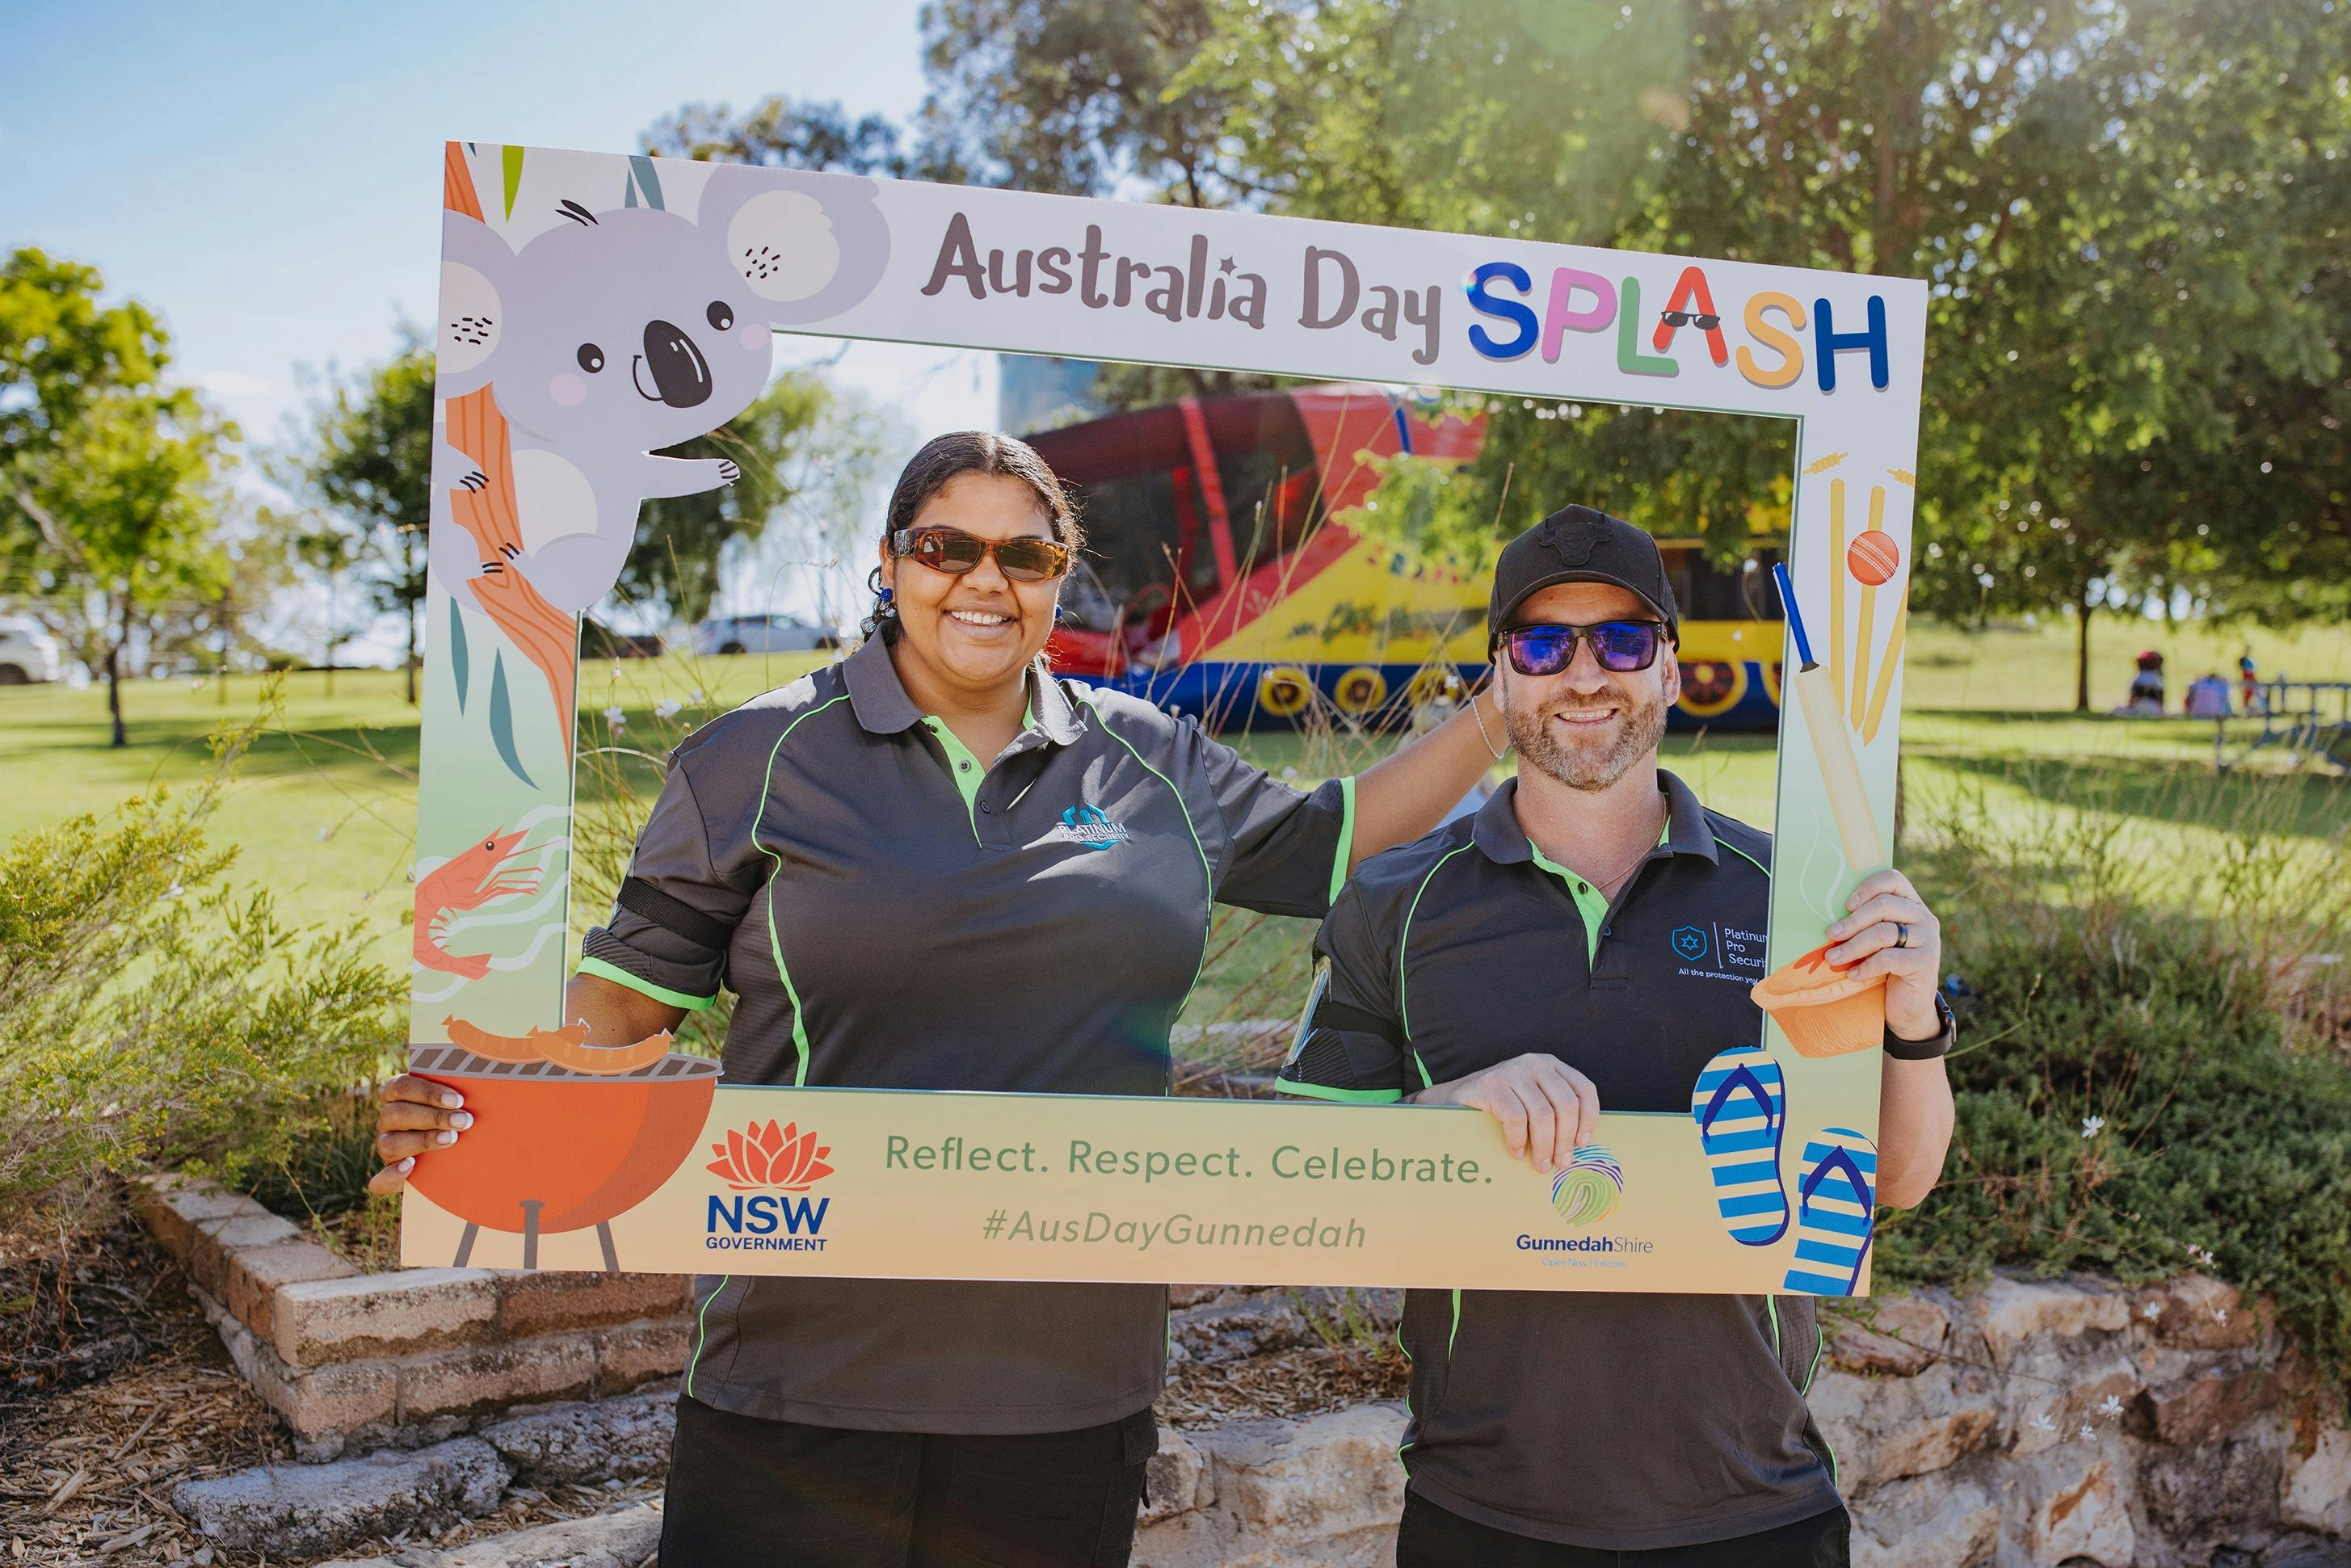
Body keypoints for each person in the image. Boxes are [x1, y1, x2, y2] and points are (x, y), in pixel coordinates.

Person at [371, 431, 1508, 1567]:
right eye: (945, 547)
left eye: (1024, 555)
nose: (983, 580)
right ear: (890, 561)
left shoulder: (1152, 760)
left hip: (1067, 1388)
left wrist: (1507, 708)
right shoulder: (753, 757)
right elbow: (620, 1013)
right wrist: (478, 1109)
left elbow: (1334, 846)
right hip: (797, 1380)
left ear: (1060, 576)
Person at [1276, 505, 1956, 1566]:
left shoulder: (1794, 896)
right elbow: (1301, 1180)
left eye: (1623, 641)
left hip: (1756, 1503)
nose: (1584, 675)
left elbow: (1896, 1179)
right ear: (1499, 680)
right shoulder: (1390, 902)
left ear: (1671, 671)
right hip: (1485, 1507)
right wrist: (1445, 1111)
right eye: (1543, 645)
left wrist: (1911, 1018)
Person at [2118, 649, 2166, 716]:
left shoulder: (2138, 678)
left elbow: (2132, 698)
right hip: (2154, 708)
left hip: (2138, 707)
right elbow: (2160, 699)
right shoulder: (2157, 679)